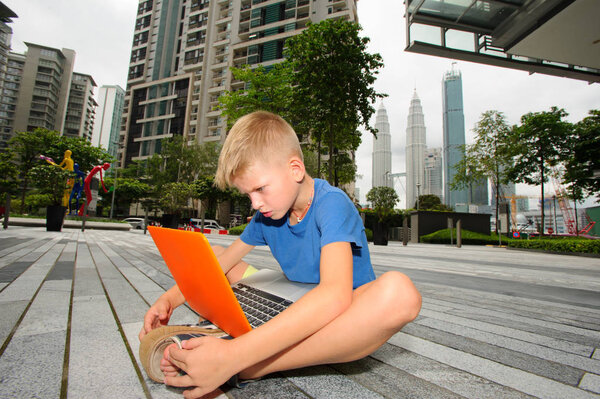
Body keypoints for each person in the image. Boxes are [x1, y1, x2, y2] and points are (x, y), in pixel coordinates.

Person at [139, 111, 421, 398]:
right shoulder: (268, 214)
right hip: (291, 296)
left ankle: (248, 364)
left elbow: (334, 296)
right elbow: (218, 264)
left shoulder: (332, 204)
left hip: (343, 311)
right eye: (248, 194)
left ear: (295, 169)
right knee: (216, 254)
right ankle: (236, 341)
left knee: (400, 294)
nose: (255, 204)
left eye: (260, 188)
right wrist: (170, 299)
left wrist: (235, 355)